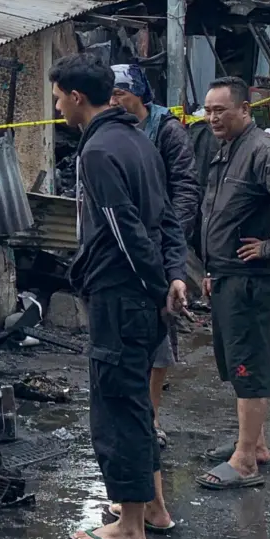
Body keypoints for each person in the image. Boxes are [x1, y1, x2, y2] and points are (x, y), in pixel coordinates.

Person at [55, 54, 186, 539]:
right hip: (145, 293)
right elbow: (167, 218)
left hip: (122, 293)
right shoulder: (138, 139)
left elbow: (124, 228)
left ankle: (129, 526)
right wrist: (173, 277)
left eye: (58, 98)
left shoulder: (99, 152)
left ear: (77, 97)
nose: (59, 107)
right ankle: (153, 508)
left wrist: (157, 285)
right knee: (134, 403)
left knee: (118, 407)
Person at [198, 77, 270, 490]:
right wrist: (213, 269)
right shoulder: (228, 149)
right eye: (208, 110)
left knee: (249, 364)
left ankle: (245, 460)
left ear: (246, 110)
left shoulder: (262, 149)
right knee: (236, 362)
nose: (212, 118)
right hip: (229, 275)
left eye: (220, 110)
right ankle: (256, 444)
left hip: (251, 280)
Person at [111, 63, 199, 445]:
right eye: (110, 94)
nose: (114, 101)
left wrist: (170, 237)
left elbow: (184, 186)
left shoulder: (167, 130)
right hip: (124, 246)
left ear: (140, 94)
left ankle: (152, 417)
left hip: (160, 242)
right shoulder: (110, 131)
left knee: (161, 330)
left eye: (120, 93)